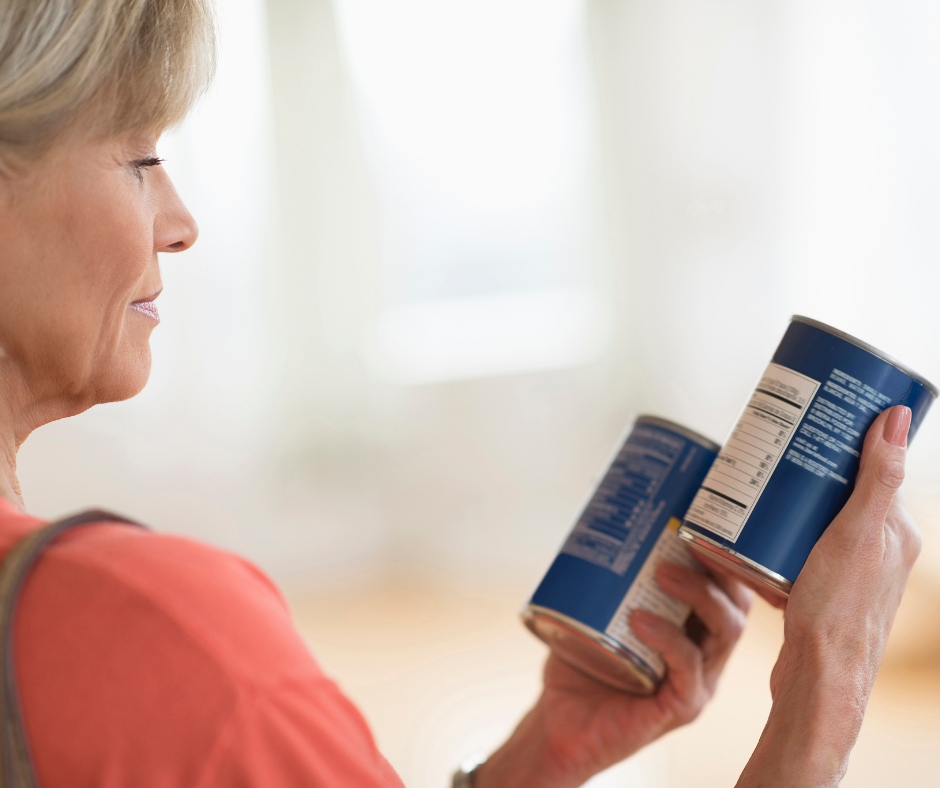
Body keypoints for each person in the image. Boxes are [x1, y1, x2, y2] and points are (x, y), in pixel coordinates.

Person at [0, 1, 921, 786]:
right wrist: (824, 690)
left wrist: (538, 758)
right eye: (137, 158)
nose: (182, 223)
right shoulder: (157, 634)